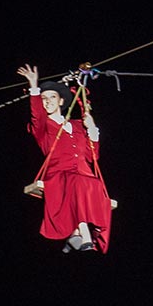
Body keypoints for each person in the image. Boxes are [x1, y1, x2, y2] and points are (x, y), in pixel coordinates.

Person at [19, 63, 113, 253]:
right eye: (44, 99)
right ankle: (84, 233)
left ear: (61, 101)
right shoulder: (42, 127)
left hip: (84, 175)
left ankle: (76, 234)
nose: (47, 102)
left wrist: (92, 129)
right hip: (59, 175)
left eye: (52, 97)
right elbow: (37, 115)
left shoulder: (78, 125)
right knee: (78, 183)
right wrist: (34, 86)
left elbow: (91, 155)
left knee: (93, 184)